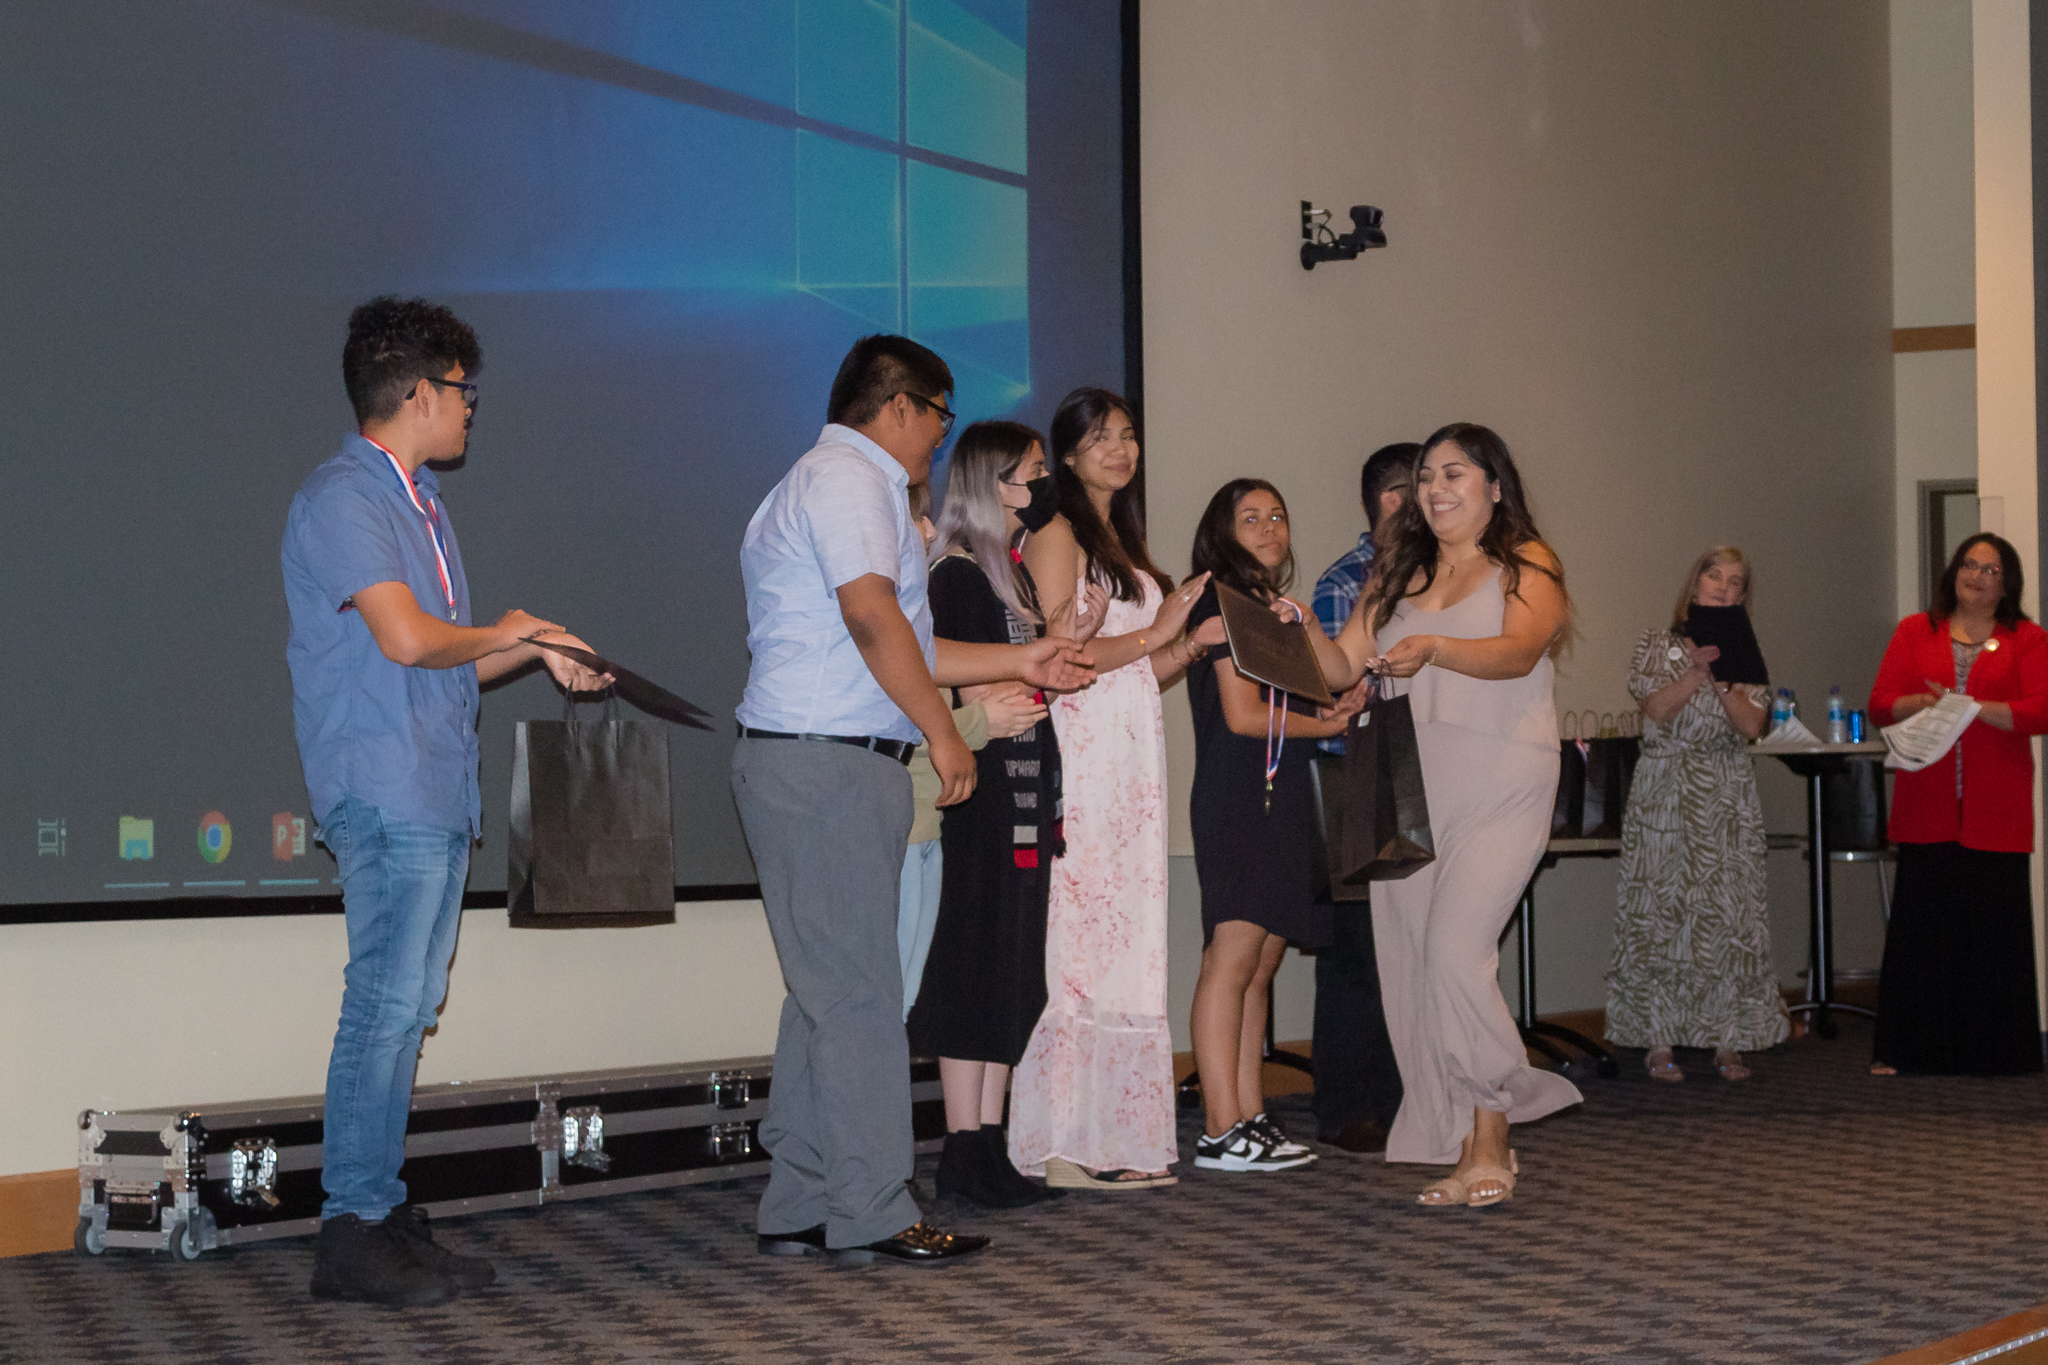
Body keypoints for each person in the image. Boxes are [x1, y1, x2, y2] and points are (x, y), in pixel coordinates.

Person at [734, 335, 1092, 1265]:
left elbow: (911, 642)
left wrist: (1022, 658)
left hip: (813, 759)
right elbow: (873, 616)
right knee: (859, 997)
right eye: (940, 413)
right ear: (899, 406)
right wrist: (943, 732)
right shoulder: (852, 480)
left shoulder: (822, 481)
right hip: (828, 763)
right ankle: (875, 1209)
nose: (942, 433)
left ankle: (801, 1200)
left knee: (823, 996)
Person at [283, 297, 609, 1305]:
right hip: (383, 787)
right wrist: (508, 627)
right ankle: (351, 1230)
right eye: (463, 390)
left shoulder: (419, 504)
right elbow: (408, 639)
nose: (473, 408)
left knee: (407, 1007)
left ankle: (377, 1213)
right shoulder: (345, 497)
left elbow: (446, 664)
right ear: (416, 391)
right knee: (383, 1007)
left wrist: (539, 650)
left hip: (429, 782)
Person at [1299, 421, 1582, 1208]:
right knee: (1418, 966)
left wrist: (1432, 647)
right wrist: (1279, 632)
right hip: (1407, 785)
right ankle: (1464, 1133)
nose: (1436, 488)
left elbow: (1519, 650)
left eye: (1455, 473)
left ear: (1495, 485)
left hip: (1502, 771)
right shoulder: (1396, 570)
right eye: (1427, 476)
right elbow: (1338, 664)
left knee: (1458, 952)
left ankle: (1494, 1130)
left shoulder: (1528, 561)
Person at [1009, 387, 1220, 1190]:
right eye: (1101, 437)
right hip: (1083, 753)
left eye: (1129, 434)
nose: (1121, 449)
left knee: (1128, 942)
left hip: (1131, 757)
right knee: (1078, 945)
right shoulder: (1057, 532)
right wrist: (1156, 631)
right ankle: (1057, 1141)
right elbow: (1066, 659)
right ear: (1066, 454)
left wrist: (1188, 644)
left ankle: (1116, 1138)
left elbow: (1139, 666)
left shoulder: (1121, 540)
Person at [909, 421, 1074, 1208]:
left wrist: (1072, 635)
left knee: (1013, 965)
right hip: (979, 795)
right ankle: (961, 1143)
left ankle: (991, 1142)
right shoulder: (955, 574)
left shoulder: (1012, 573)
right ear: (994, 483)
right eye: (1032, 473)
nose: (1043, 486)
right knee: (972, 962)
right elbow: (984, 693)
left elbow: (1035, 682)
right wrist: (1014, 689)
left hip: (1024, 785)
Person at [1184, 479, 1368, 1173]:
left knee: (1262, 963)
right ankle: (1219, 1126)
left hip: (1280, 787)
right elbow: (1240, 714)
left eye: (1278, 516)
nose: (1268, 528)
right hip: (1238, 793)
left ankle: (1252, 1118)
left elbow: (1330, 674)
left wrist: (1313, 632)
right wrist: (1325, 722)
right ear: (1221, 531)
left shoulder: (1273, 607)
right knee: (1230, 959)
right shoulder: (1219, 600)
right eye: (1251, 517)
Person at [1868, 533, 2048, 1077]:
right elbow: (1879, 705)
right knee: (1921, 934)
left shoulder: (2029, 638)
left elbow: (2039, 711)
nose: (1977, 575)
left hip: (1997, 809)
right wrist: (1922, 703)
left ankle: (1996, 1054)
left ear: (2006, 583)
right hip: (1929, 805)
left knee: (1995, 936)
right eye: (1969, 564)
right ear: (1953, 572)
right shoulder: (1914, 631)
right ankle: (1901, 1052)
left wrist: (1974, 709)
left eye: (1991, 569)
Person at [1606, 547, 1783, 1083]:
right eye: (1714, 576)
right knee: (1662, 913)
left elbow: (1752, 727)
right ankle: (1658, 1042)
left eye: (1735, 582)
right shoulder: (1656, 644)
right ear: (1695, 582)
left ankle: (1729, 1041)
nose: (1723, 589)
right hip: (1666, 788)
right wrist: (1696, 671)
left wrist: (1725, 676)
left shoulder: (1746, 651)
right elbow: (1656, 709)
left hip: (1725, 792)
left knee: (1726, 916)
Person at [895, 484, 1046, 1026]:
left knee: (904, 995)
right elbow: (893, 730)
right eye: (917, 520)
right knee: (887, 995)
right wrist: (984, 721)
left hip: (928, 826)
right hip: (901, 828)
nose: (932, 532)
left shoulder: (909, 607)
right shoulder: (884, 615)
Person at [1308, 443, 1417, 1154]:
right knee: (1358, 952)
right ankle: (1353, 1106)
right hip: (1362, 775)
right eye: (1423, 487)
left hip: (1425, 774)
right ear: (1390, 502)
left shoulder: (1440, 578)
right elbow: (1327, 684)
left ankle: (1416, 1099)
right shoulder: (1347, 582)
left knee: (1415, 947)